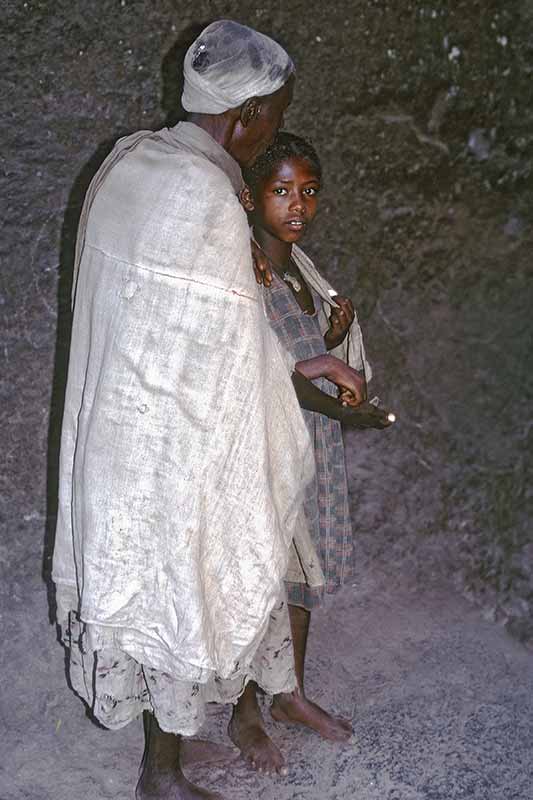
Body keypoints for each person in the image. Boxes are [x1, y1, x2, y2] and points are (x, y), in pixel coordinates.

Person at [52, 21, 367, 800]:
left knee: (154, 583)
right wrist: (307, 378)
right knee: (185, 587)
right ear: (251, 112)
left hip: (119, 425)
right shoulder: (206, 195)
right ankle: (161, 778)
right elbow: (233, 353)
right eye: (275, 111)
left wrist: (301, 358)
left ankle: (167, 766)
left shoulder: (132, 162)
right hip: (178, 437)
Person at [231, 131, 392, 774]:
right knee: (258, 582)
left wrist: (329, 335)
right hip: (264, 451)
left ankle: (289, 693)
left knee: (301, 579)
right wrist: (338, 386)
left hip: (311, 442)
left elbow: (297, 351)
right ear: (249, 196)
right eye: (281, 191)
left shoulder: (298, 269)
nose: (298, 205)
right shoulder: (241, 269)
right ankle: (244, 710)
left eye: (309, 191)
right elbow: (251, 365)